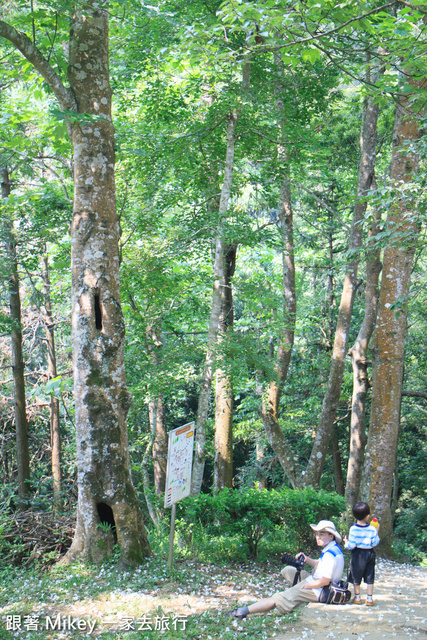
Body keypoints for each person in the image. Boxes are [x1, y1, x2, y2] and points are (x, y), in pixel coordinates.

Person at [226, 520, 344, 618]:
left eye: (322, 534)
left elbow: (324, 581)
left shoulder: (330, 555)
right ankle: (294, 596)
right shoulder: (332, 549)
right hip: (316, 582)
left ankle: (242, 611)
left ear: (331, 535)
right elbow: (319, 566)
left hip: (319, 590)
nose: (318, 537)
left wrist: (305, 586)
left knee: (278, 598)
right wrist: (306, 558)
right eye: (317, 533)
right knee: (288, 570)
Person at [344, 502, 380, 606]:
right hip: (369, 553)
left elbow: (352, 545)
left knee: (356, 575)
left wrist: (346, 542)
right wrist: (376, 532)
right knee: (370, 576)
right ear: (367, 516)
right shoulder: (372, 529)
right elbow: (374, 543)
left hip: (357, 554)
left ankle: (358, 597)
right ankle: (369, 598)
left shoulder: (353, 529)